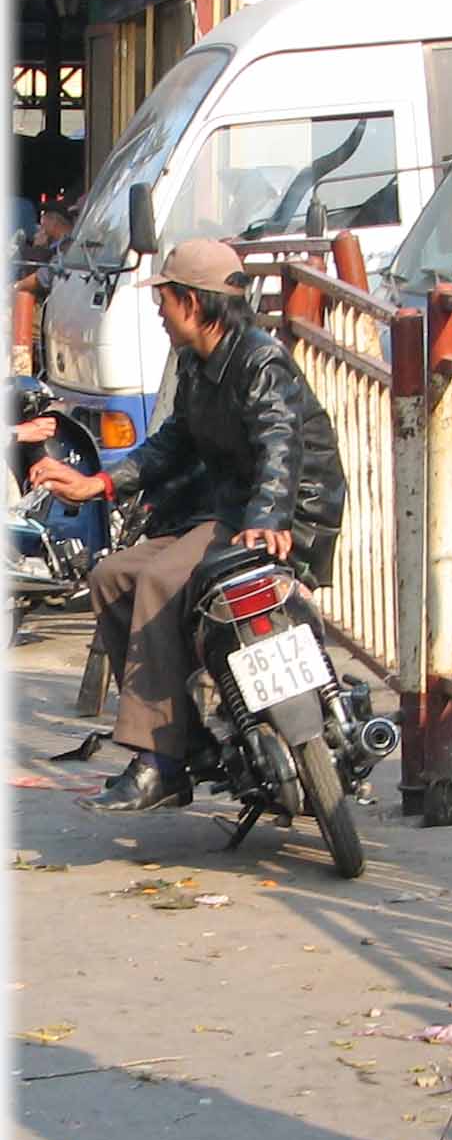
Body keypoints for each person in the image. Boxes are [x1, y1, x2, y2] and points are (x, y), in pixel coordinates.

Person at [27, 236, 346, 813]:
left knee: (160, 580)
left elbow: (281, 441)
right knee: (112, 576)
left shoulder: (258, 359)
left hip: (286, 511)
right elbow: (173, 442)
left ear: (192, 304)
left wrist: (269, 517)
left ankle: (160, 760)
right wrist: (100, 483)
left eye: (164, 302)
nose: (159, 313)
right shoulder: (200, 365)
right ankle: (184, 731)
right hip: (230, 509)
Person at [13, 202, 73, 296]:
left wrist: (38, 250)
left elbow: (45, 276)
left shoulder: (69, 245)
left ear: (54, 220)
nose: (41, 223)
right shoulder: (54, 244)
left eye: (44, 217)